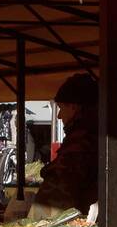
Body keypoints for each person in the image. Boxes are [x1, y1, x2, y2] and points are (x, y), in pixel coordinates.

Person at [31, 73, 99, 218]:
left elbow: (59, 193)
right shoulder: (97, 136)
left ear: (74, 107)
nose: (59, 116)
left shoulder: (81, 143)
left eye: (62, 108)